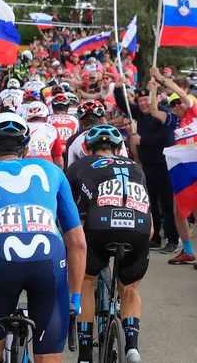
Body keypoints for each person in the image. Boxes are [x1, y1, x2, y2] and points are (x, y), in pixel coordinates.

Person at [0, 112, 86, 363]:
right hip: (50, 257)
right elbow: (78, 242)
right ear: (26, 149)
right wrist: (75, 297)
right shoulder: (52, 170)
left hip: (2, 257)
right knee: (49, 352)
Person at [66, 124, 151, 363]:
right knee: (129, 288)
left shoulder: (79, 165)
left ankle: (84, 355)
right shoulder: (137, 168)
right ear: (119, 148)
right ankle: (132, 347)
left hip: (100, 227)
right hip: (139, 227)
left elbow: (65, 209)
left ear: (88, 149)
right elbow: (152, 223)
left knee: (86, 282)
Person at [147, 67, 197, 268]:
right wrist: (153, 91)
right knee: (178, 211)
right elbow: (154, 111)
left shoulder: (195, 112)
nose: (175, 106)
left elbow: (183, 94)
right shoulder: (174, 121)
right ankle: (188, 251)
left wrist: (162, 78)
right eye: (172, 103)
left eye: (178, 102)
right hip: (180, 169)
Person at [114, 76, 179, 253]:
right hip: (148, 165)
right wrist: (119, 89)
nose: (143, 104)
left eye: (146, 100)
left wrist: (143, 140)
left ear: (153, 100)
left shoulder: (163, 114)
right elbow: (123, 105)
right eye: (141, 100)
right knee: (150, 204)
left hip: (164, 165)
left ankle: (172, 238)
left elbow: (165, 139)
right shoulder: (139, 113)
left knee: (166, 204)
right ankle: (155, 237)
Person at [24, 101, 64, 167]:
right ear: (46, 118)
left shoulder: (22, 128)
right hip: (47, 165)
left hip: (26, 165)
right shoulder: (52, 129)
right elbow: (59, 162)